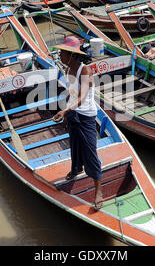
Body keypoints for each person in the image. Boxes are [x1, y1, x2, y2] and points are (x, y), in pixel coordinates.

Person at [52, 36, 104, 211]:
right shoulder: (68, 69)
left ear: (72, 55)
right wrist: (66, 112)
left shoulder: (85, 71)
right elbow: (72, 93)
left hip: (86, 116)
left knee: (90, 150)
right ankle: (76, 169)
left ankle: (98, 191)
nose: (60, 56)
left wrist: (66, 111)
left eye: (62, 53)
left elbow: (81, 97)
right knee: (74, 144)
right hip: (73, 114)